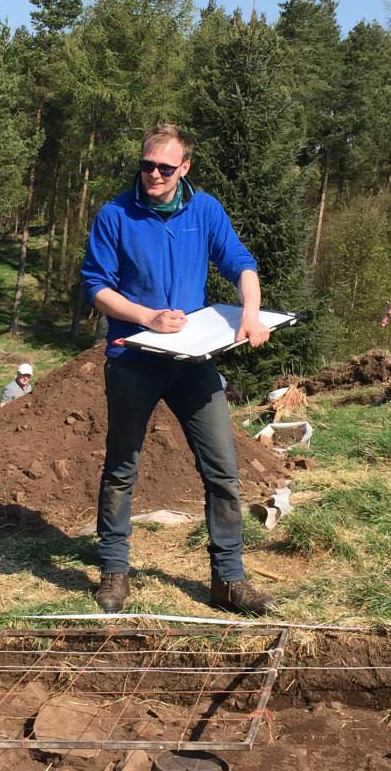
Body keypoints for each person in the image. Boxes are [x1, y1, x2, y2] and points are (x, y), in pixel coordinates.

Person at [81, 122, 275, 616]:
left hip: (193, 365)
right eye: (148, 165)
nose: (155, 175)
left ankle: (227, 580)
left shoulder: (203, 209)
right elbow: (95, 286)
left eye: (166, 168)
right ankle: (114, 570)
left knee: (223, 471)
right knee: (122, 466)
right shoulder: (115, 215)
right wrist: (146, 317)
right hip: (132, 360)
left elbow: (240, 262)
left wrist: (250, 313)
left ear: (184, 168)